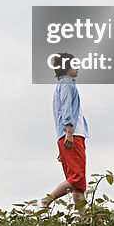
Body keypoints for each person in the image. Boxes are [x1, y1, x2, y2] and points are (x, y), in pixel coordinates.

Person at [41, 53, 89, 214]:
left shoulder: (61, 86)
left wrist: (63, 140)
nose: (78, 68)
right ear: (67, 67)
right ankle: (46, 200)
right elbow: (66, 109)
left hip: (66, 137)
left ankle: (85, 223)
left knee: (79, 185)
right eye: (75, 65)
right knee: (77, 177)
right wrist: (69, 130)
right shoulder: (68, 84)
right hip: (72, 135)